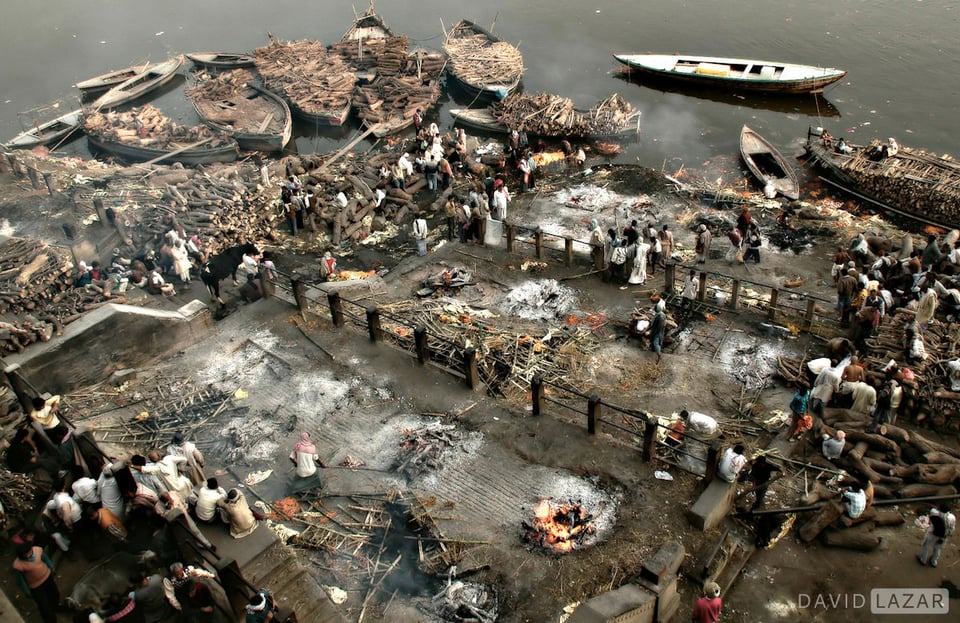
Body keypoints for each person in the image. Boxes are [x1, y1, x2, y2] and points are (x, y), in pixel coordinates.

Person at [12, 542, 59, 623]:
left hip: (47, 577)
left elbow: (45, 558)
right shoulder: (18, 565)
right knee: (44, 606)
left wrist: (51, 567)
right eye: (26, 554)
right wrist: (27, 591)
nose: (29, 554)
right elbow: (20, 580)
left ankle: (56, 607)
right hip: (36, 587)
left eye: (29, 552)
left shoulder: (37, 550)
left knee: (55, 594)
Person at [649, 299, 667, 364]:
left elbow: (658, 325)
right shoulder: (662, 314)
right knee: (658, 341)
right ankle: (653, 349)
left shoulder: (659, 316)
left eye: (655, 308)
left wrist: (655, 331)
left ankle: (659, 354)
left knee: (655, 342)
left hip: (657, 331)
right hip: (660, 330)